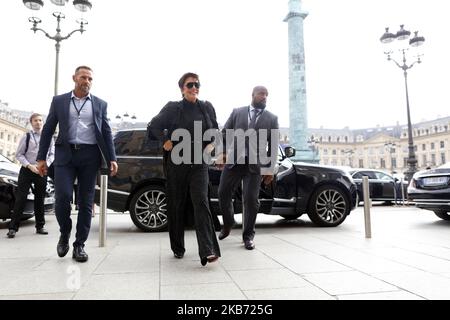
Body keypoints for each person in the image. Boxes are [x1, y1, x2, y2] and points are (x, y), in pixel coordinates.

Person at [36, 65, 118, 262]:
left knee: (86, 202)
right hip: (65, 155)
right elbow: (48, 129)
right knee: (62, 197)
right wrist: (41, 158)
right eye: (83, 77)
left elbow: (106, 132)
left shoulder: (100, 104)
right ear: (74, 78)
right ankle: (65, 233)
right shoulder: (59, 101)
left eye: (90, 78)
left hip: (90, 157)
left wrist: (112, 158)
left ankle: (79, 244)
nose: (87, 81)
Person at [147, 72, 220, 266]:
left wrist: (211, 147)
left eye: (197, 84)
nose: (194, 87)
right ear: (182, 89)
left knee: (201, 202)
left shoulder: (206, 107)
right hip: (176, 163)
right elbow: (153, 126)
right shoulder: (172, 108)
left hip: (199, 163)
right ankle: (178, 247)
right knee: (176, 204)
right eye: (190, 85)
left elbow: (215, 131)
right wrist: (165, 141)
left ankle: (208, 250)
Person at [216, 86, 279, 250]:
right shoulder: (237, 112)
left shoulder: (272, 118)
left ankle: (248, 236)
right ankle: (228, 222)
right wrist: (222, 152)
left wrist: (269, 169)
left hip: (255, 165)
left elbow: (273, 146)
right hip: (234, 162)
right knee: (223, 192)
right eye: (261, 94)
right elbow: (224, 133)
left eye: (267, 95)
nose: (264, 97)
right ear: (253, 95)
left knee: (251, 200)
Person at [6, 113, 55, 238]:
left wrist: (44, 165)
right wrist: (29, 165)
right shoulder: (27, 136)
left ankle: (40, 226)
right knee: (21, 198)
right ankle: (13, 228)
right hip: (27, 170)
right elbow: (19, 155)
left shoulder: (48, 137)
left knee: (40, 199)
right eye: (35, 120)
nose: (38, 122)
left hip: (41, 170)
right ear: (31, 123)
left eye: (40, 120)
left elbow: (52, 154)